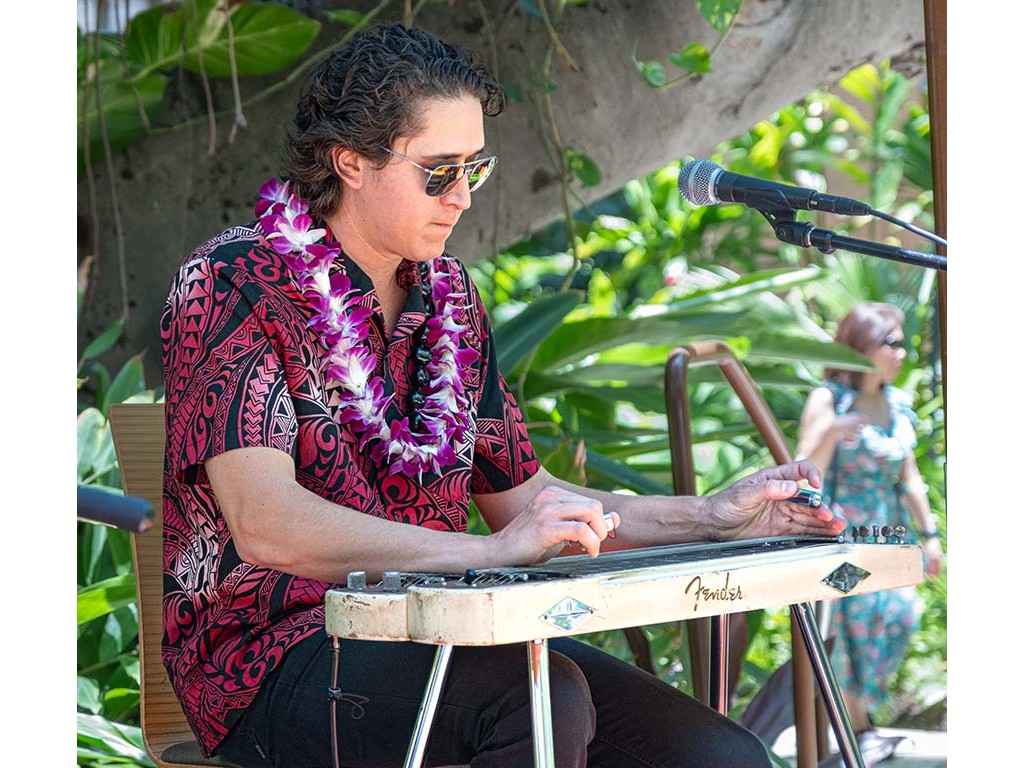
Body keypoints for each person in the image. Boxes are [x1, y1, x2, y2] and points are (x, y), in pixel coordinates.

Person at [160, 22, 845, 768]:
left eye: (473, 170)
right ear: (349, 161)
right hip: (273, 656)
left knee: (718, 756)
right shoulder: (233, 280)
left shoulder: (448, 295)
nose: (461, 198)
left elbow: (526, 502)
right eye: (438, 172)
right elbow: (267, 525)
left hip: (446, 628)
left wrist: (711, 520)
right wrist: (485, 553)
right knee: (542, 704)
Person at [795, 302, 943, 747]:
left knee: (898, 616)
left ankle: (857, 724)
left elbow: (909, 476)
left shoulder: (896, 405)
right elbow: (802, 470)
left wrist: (930, 535)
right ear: (862, 346)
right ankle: (856, 728)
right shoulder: (829, 399)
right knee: (847, 629)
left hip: (889, 536)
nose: (901, 352)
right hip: (839, 538)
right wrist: (833, 431)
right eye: (891, 342)